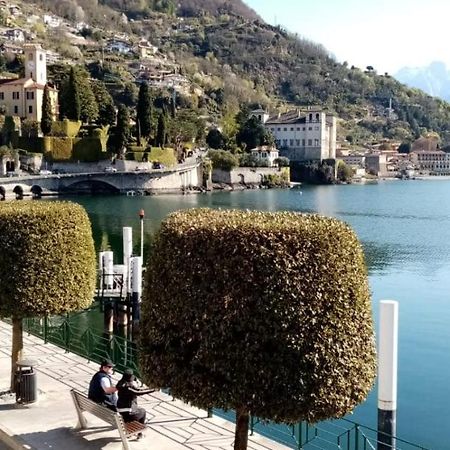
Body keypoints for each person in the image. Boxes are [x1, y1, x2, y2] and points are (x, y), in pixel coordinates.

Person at [116, 369, 154, 435]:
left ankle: (134, 431)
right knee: (142, 411)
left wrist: (136, 381)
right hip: (128, 414)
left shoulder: (121, 383)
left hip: (121, 412)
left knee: (138, 409)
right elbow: (138, 392)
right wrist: (152, 390)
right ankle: (139, 433)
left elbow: (136, 389)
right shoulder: (128, 387)